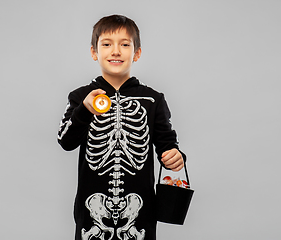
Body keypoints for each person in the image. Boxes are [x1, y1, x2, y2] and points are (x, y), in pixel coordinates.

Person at [57, 14, 186, 240]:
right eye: (106, 44)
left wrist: (175, 155)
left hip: (140, 215)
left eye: (124, 45)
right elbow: (66, 142)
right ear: (94, 52)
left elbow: (167, 144)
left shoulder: (153, 100)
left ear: (136, 53)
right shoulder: (81, 97)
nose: (115, 51)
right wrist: (84, 110)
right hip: (92, 216)